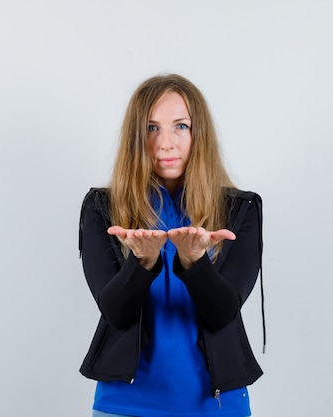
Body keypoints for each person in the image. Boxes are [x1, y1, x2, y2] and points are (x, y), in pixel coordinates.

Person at [78, 73, 264, 417]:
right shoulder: (102, 208)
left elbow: (223, 312)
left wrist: (196, 262)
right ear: (135, 137)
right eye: (151, 128)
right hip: (125, 406)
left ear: (199, 134)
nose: (166, 143)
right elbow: (114, 313)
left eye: (181, 126)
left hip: (216, 406)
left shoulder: (240, 210)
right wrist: (142, 263)